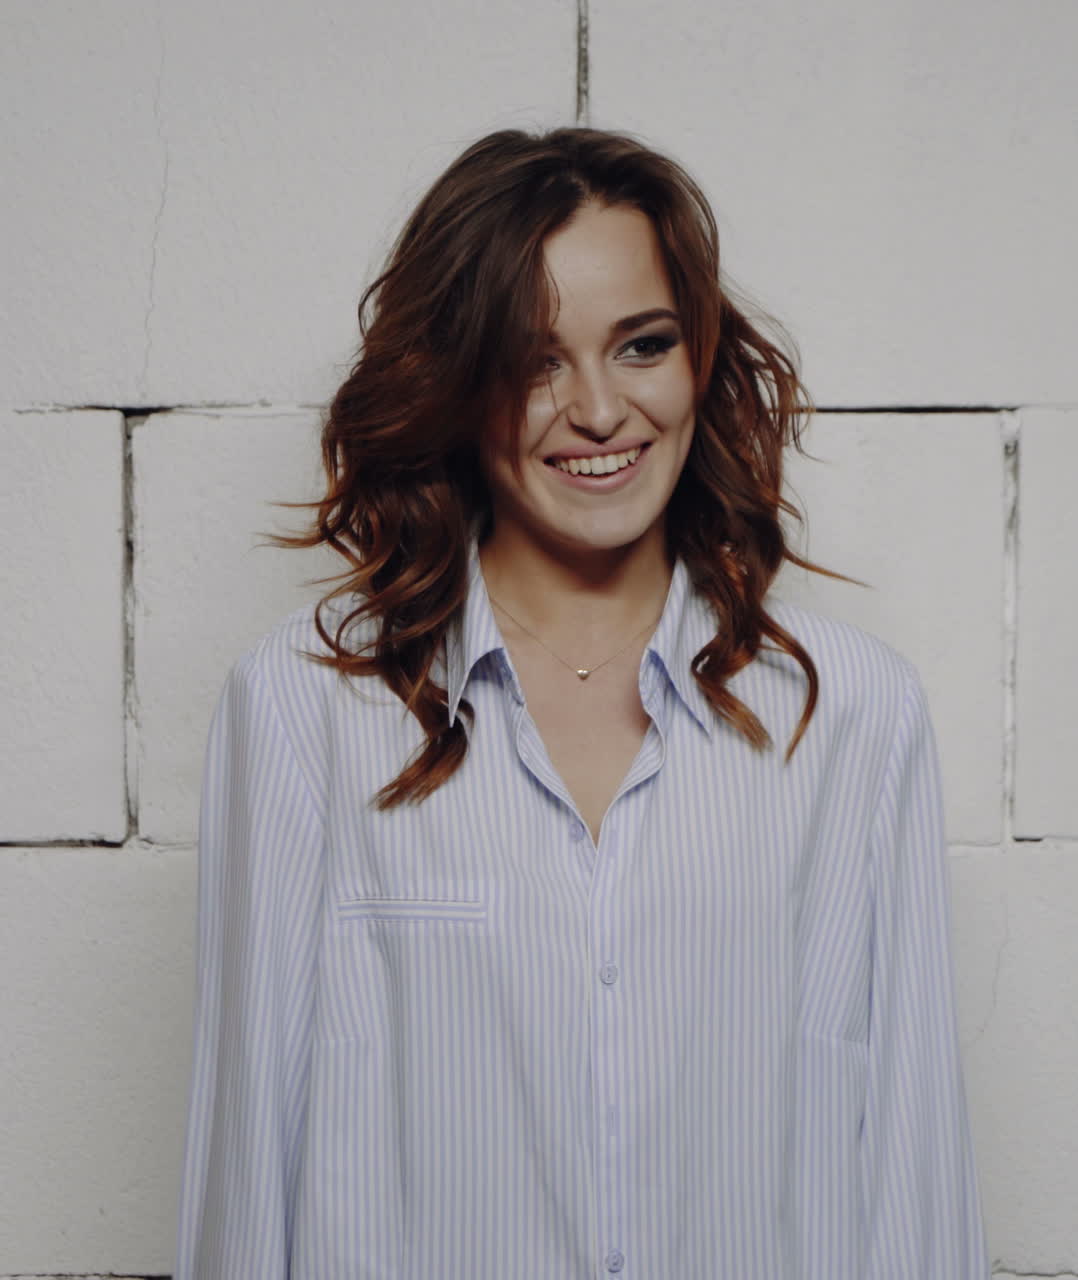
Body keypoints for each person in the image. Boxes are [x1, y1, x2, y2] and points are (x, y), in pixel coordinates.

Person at [175, 126, 988, 1278]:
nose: (599, 409)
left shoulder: (852, 713)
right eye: (534, 361)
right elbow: (246, 1165)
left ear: (697, 360)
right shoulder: (302, 710)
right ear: (456, 385)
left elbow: (914, 1172)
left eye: (641, 344)